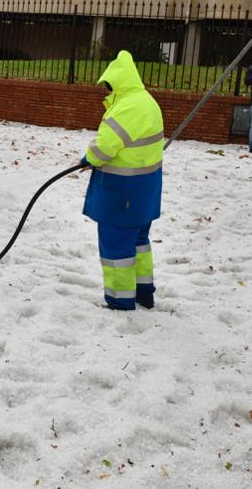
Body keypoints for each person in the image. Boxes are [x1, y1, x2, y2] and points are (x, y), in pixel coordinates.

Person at [79, 50, 164, 311]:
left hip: (121, 194)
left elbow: (105, 147)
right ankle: (143, 293)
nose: (106, 92)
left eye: (108, 87)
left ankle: (120, 300)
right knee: (139, 244)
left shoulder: (126, 107)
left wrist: (88, 158)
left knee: (117, 249)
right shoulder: (147, 101)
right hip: (145, 191)